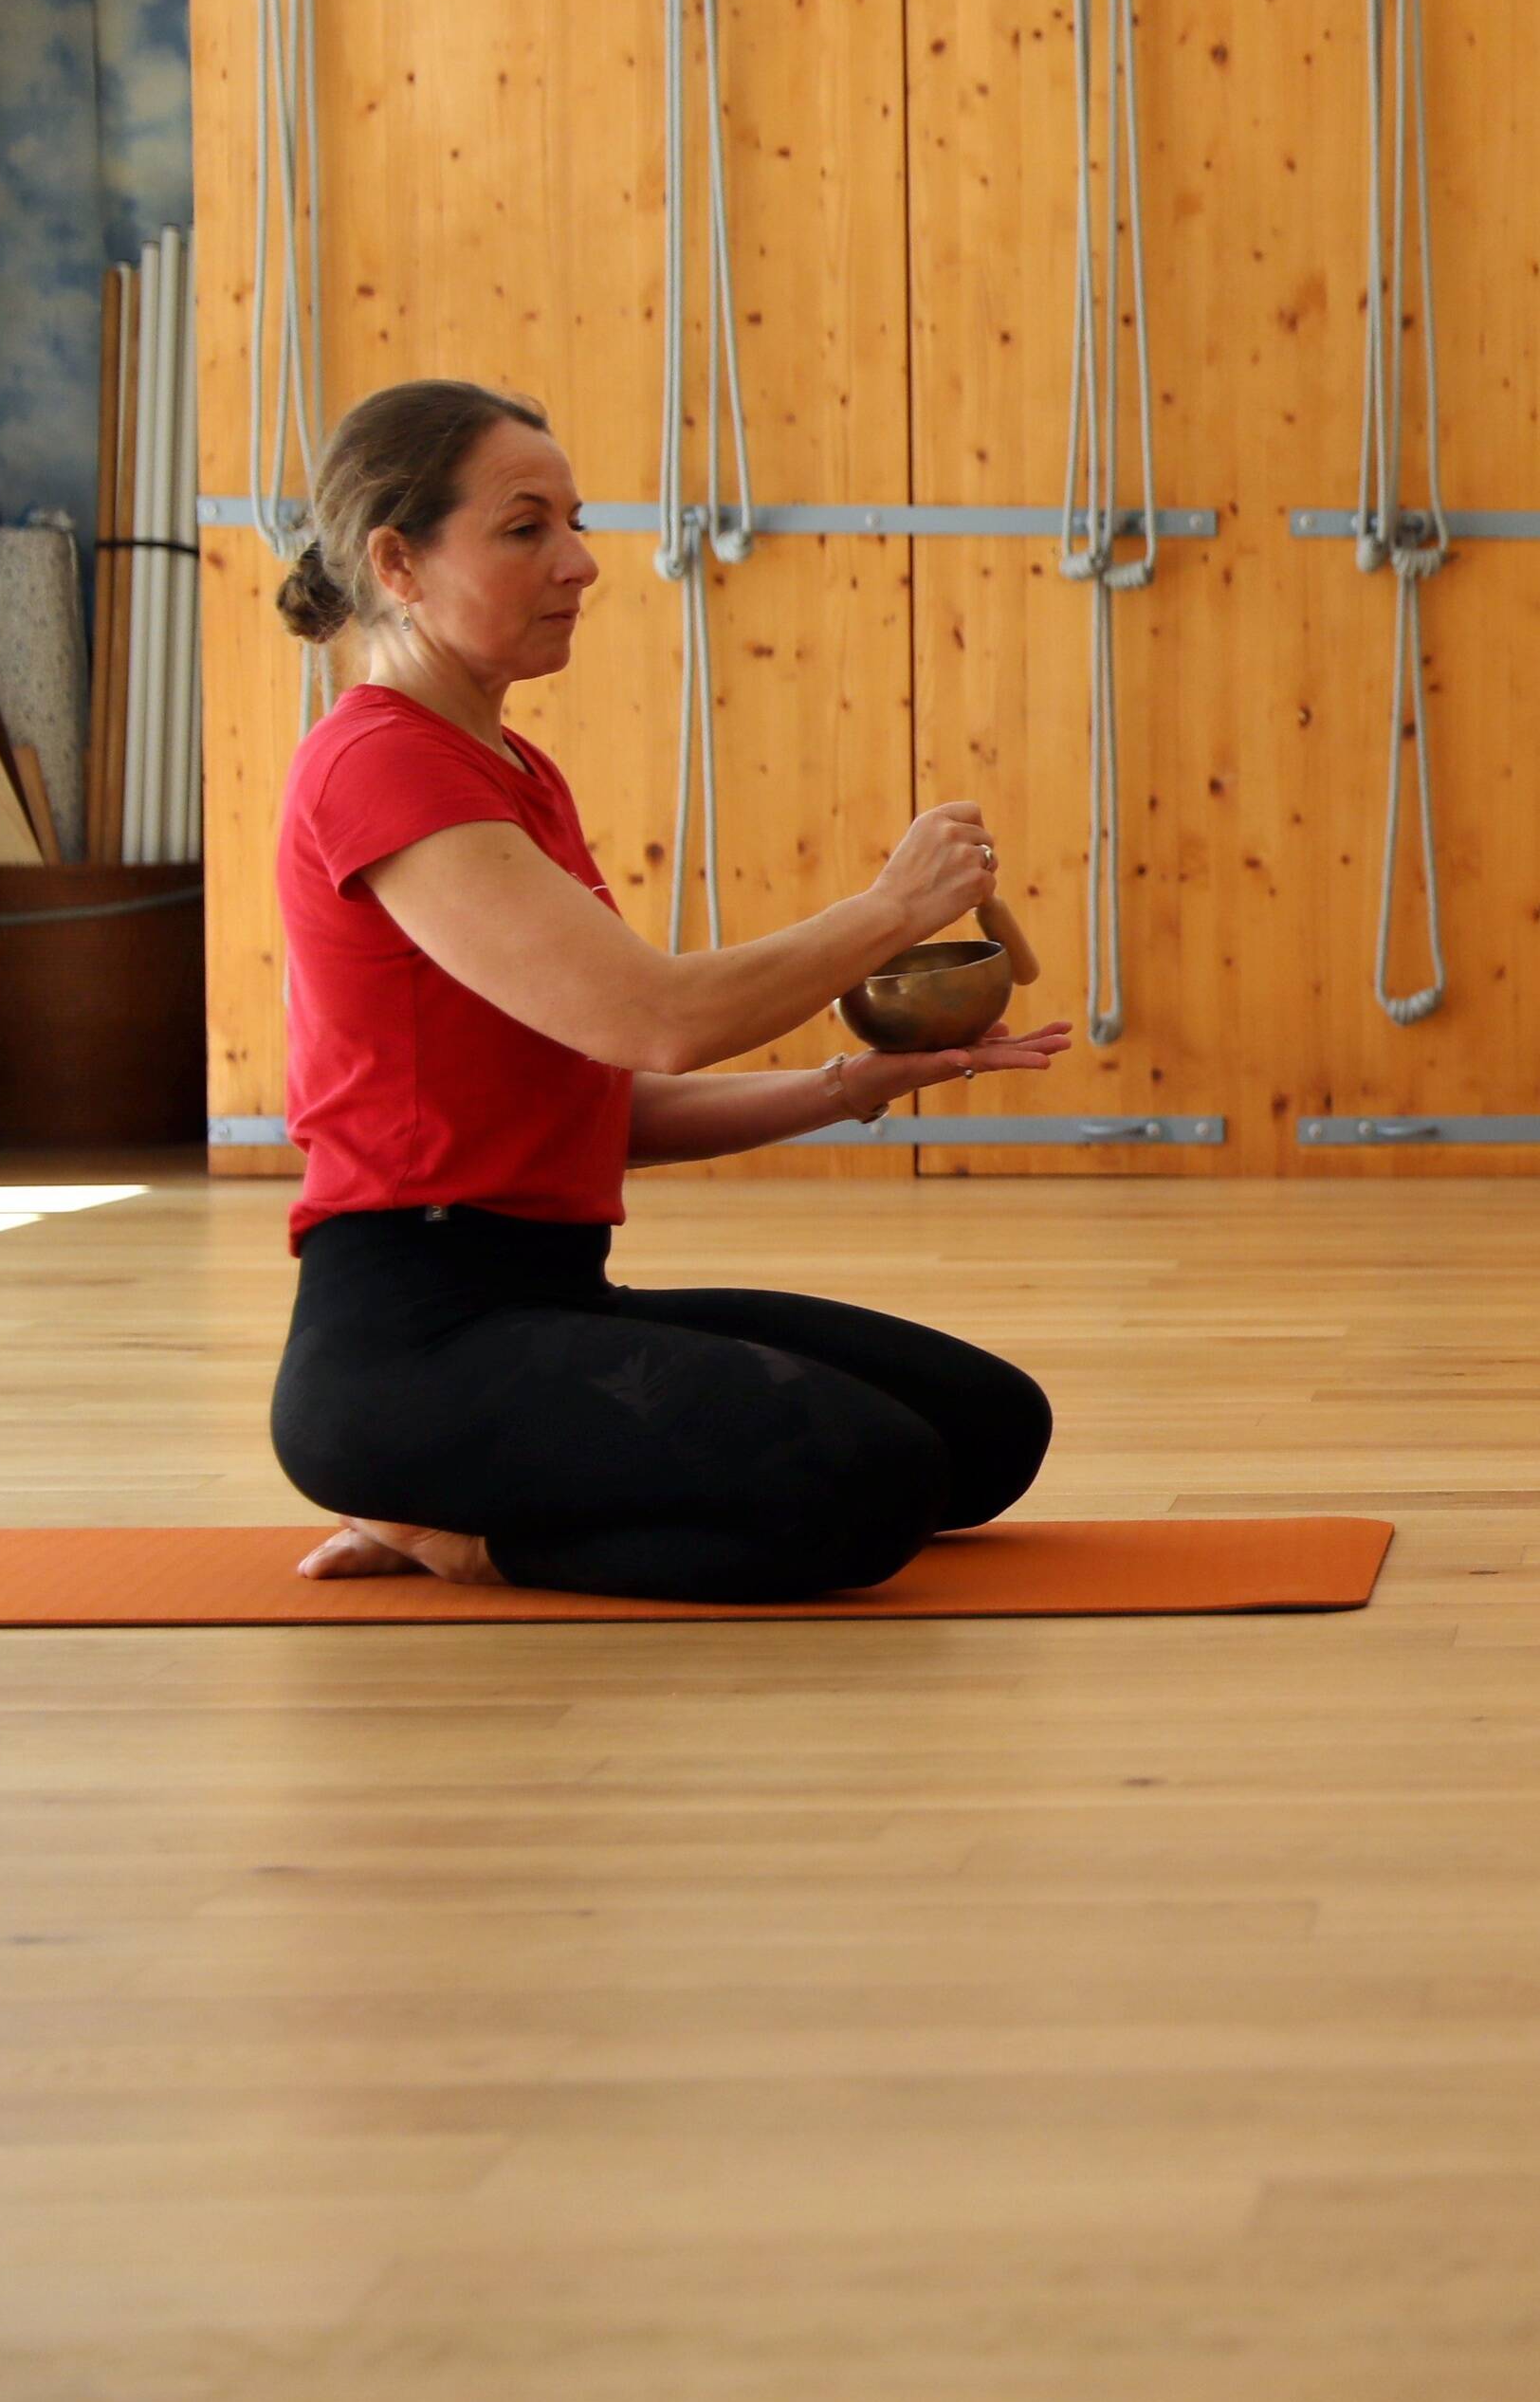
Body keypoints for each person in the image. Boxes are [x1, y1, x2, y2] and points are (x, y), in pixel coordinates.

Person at [259, 379, 1067, 1604]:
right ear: (397, 561)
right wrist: (891, 911)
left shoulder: (514, 770)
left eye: (575, 522)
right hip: (409, 1346)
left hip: (545, 1302)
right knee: (876, 1481)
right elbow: (659, 1018)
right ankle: (458, 1531)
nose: (580, 561)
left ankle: (491, 1486)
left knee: (990, 1430)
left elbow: (600, 1102)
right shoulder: (379, 764)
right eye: (526, 527)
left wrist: (863, 1081)